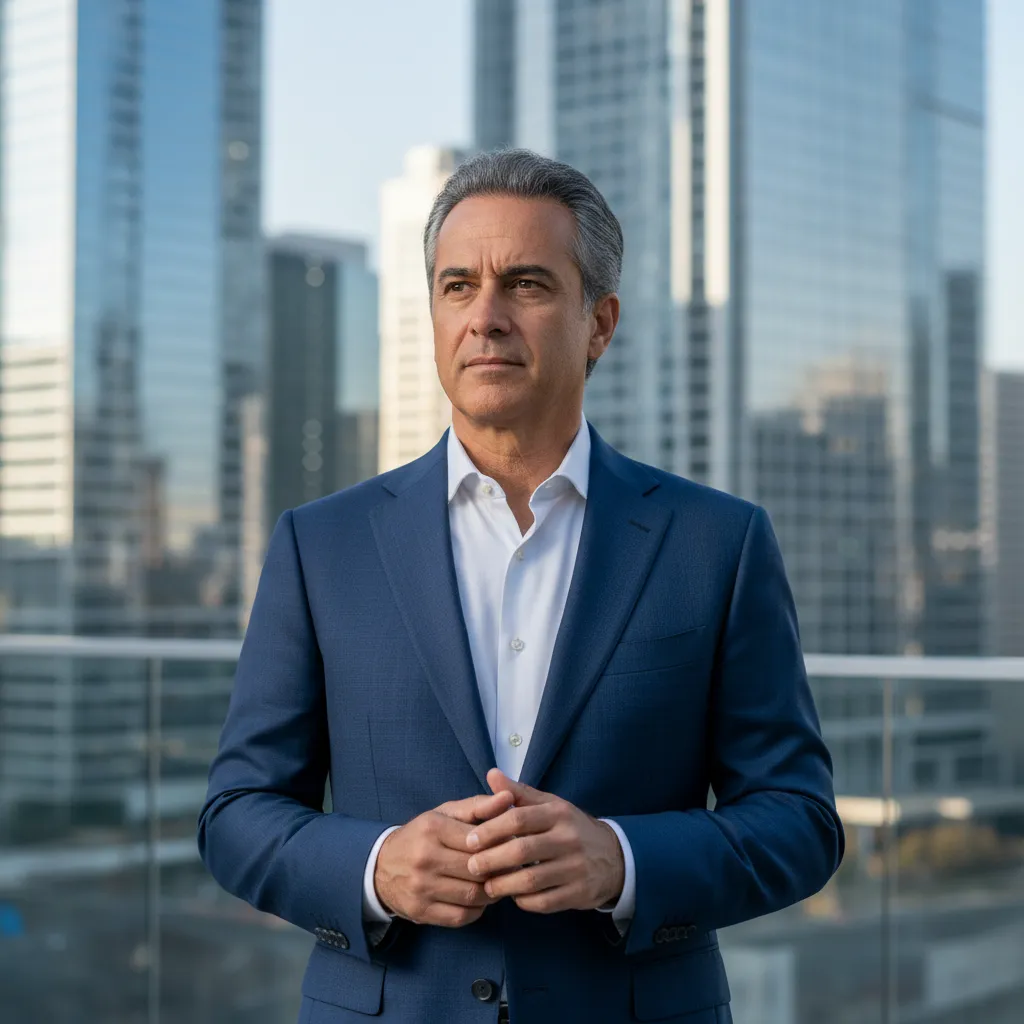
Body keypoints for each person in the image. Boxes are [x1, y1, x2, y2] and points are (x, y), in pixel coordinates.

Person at [197, 148, 844, 1023]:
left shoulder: (717, 543)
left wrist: (622, 860)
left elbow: (799, 820)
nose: (486, 317)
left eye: (528, 285)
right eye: (457, 285)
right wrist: (376, 867)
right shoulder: (322, 545)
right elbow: (235, 814)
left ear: (599, 324)